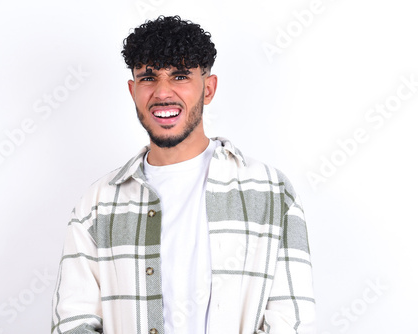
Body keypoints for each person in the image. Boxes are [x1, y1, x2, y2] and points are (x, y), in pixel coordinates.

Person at [51, 15, 316, 334]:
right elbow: (73, 322)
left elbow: (291, 321)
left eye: (179, 76)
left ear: (209, 88)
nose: (162, 93)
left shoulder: (272, 194)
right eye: (149, 78)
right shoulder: (96, 205)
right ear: (133, 90)